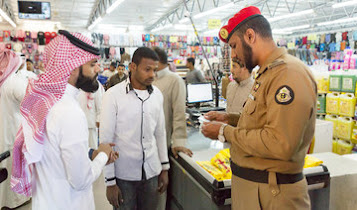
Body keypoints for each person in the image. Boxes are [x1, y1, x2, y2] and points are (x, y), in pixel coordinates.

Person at [201, 6, 317, 210]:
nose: (234, 55)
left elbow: (280, 143)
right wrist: (230, 119)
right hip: (256, 192)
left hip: (272, 196)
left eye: (234, 46)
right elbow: (262, 120)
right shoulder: (267, 74)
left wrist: (224, 132)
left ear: (250, 35)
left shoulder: (288, 74)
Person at [11, 30, 118, 210]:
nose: (98, 70)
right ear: (73, 66)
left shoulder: (44, 101)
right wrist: (102, 155)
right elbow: (81, 181)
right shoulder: (69, 111)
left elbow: (53, 151)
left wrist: (90, 152)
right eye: (93, 64)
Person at [100, 47, 169, 210]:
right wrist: (110, 182)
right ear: (132, 67)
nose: (152, 74)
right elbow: (105, 140)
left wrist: (164, 168)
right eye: (147, 69)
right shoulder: (113, 96)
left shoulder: (157, 95)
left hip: (152, 172)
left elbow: (160, 133)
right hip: (124, 176)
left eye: (154, 70)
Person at [152, 47, 193, 209]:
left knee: (160, 195)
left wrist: (179, 141)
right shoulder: (148, 79)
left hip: (164, 147)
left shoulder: (174, 80)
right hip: (147, 148)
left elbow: (178, 113)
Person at [0, 50, 31, 209]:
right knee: (13, 166)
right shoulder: (13, 81)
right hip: (12, 134)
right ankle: (14, 201)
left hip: (4, 134)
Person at [77, 83, 105, 149]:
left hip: (91, 125)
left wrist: (99, 120)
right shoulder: (77, 84)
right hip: (77, 125)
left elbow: (100, 107)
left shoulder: (96, 86)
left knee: (92, 150)